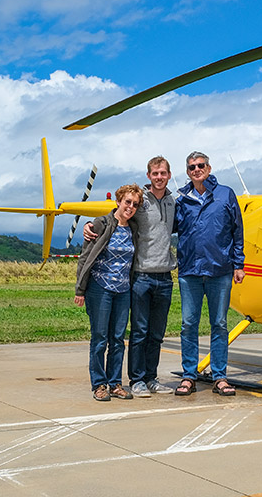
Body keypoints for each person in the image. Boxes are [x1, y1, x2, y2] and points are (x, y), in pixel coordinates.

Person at [85, 157, 177, 397]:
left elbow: (125, 217)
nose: (159, 177)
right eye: (155, 173)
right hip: (137, 278)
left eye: (163, 173)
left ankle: (146, 378)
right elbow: (115, 216)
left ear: (169, 175)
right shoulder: (139, 201)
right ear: (149, 176)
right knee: (134, 332)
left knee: (150, 335)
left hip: (161, 278)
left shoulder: (173, 202)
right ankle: (127, 380)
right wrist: (90, 225)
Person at [174, 151, 245, 397]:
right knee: (188, 324)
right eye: (192, 166)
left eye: (200, 165)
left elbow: (238, 230)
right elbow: (160, 224)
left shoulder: (226, 194)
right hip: (190, 271)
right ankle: (189, 375)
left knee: (220, 324)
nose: (196, 169)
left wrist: (239, 264)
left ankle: (220, 376)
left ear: (209, 167)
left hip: (220, 270)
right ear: (187, 172)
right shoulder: (181, 199)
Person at [75, 184, 143, 402]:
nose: (130, 207)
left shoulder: (133, 228)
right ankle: (99, 384)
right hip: (99, 288)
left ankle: (115, 383)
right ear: (118, 201)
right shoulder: (101, 224)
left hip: (123, 290)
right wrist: (81, 288)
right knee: (100, 338)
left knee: (117, 339)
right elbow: (85, 257)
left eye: (135, 204)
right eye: (127, 202)